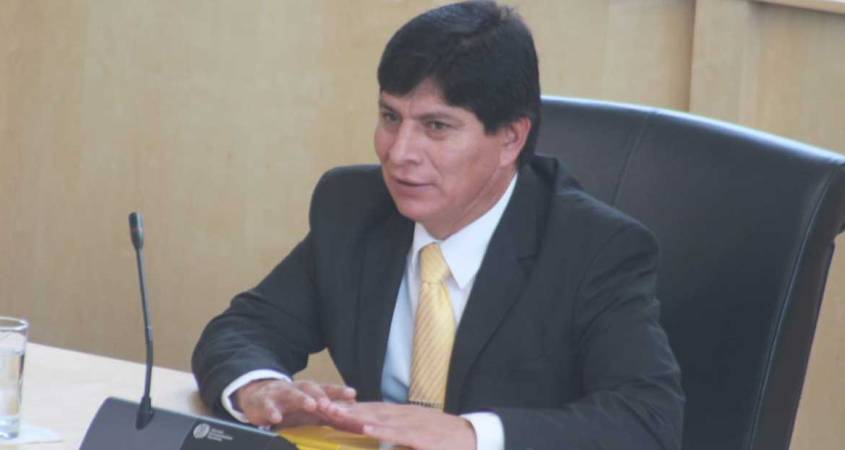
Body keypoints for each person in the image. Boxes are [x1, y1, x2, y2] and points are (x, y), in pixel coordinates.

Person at [192, 1, 684, 449]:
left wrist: (471, 434)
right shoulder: (352, 207)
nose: (399, 153)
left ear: (510, 140)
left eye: (436, 126)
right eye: (390, 117)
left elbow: (647, 421)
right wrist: (260, 387)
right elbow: (244, 329)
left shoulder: (595, 248)